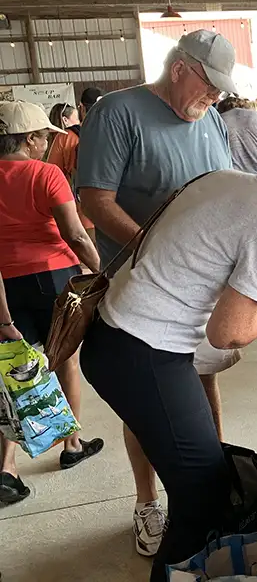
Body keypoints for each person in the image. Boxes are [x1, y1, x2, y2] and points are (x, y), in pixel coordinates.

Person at [80, 147, 257, 582]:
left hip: (114, 336)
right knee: (203, 492)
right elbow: (228, 332)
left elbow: (202, 254)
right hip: (145, 352)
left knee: (195, 477)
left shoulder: (234, 179)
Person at [77, 29, 235, 558]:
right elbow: (96, 201)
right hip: (138, 296)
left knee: (203, 389)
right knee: (147, 405)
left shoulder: (211, 120)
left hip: (201, 292)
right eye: (207, 86)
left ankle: (206, 492)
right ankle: (148, 502)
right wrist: (158, 246)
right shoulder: (118, 113)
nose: (213, 98)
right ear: (179, 68)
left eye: (219, 92)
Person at [0, 101, 105, 506]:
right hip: (52, 278)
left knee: (14, 372)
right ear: (28, 139)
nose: (47, 143)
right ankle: (72, 444)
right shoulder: (46, 175)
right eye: (44, 137)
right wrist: (102, 272)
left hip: (5, 287)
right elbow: (76, 236)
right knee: (64, 361)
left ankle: (6, 469)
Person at [45, 102, 96, 245]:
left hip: (79, 207)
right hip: (115, 206)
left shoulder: (64, 137)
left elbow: (52, 172)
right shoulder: (107, 132)